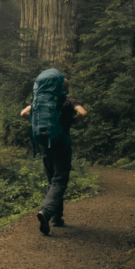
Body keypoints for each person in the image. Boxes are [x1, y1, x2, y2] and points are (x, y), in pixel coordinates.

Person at [20, 71, 87, 235]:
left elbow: (24, 113)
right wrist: (72, 121)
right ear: (65, 88)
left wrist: (37, 123)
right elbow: (83, 113)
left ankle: (57, 217)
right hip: (61, 143)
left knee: (52, 179)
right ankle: (47, 212)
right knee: (60, 180)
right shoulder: (69, 100)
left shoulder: (40, 100)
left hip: (45, 144)